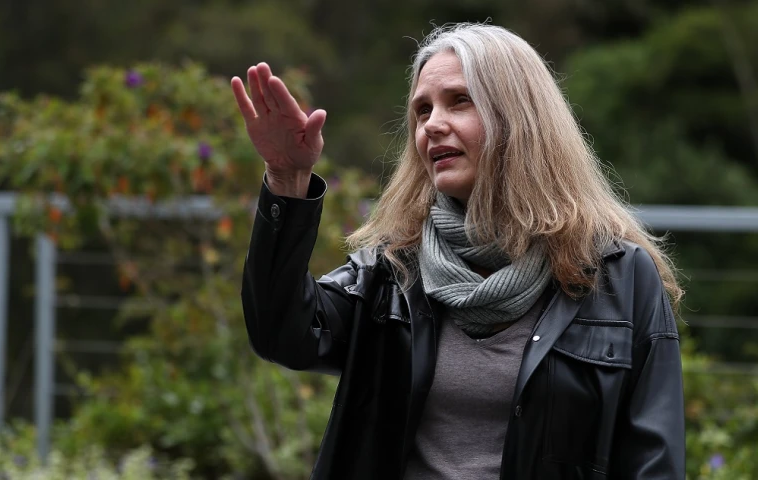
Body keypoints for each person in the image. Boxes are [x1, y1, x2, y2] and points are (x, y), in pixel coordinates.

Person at [234, 23, 685, 480]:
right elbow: (282, 333)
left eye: (459, 101)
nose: (433, 124)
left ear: (519, 118)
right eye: (422, 110)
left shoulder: (619, 276)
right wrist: (287, 181)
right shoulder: (393, 268)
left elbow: (653, 462)